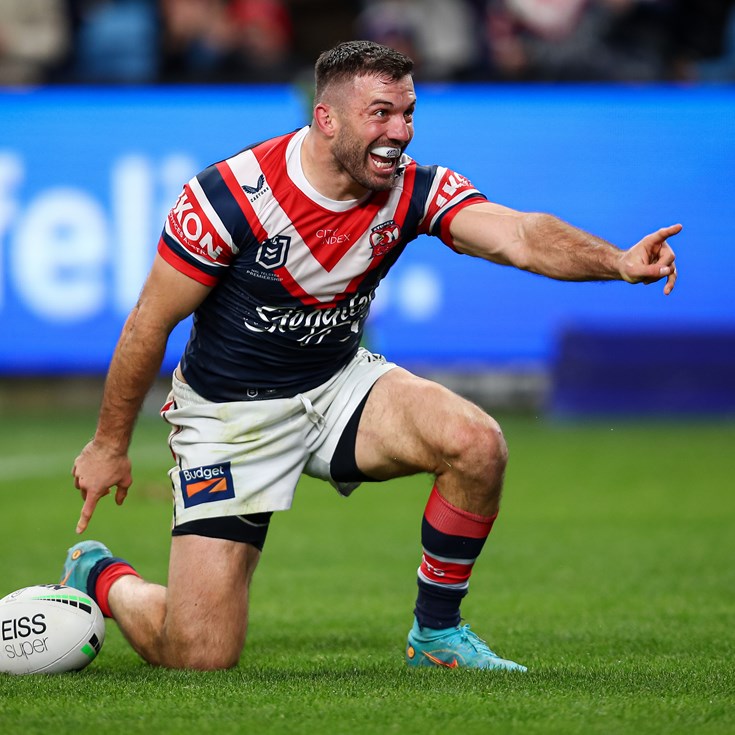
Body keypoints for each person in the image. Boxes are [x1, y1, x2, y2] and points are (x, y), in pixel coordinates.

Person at [61, 40, 679, 671]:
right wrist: (109, 445)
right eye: (380, 113)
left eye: (408, 114)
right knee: (199, 654)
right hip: (230, 419)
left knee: (476, 443)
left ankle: (436, 634)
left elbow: (519, 235)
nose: (400, 132)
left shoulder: (413, 189)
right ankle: (103, 577)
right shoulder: (229, 198)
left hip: (336, 386)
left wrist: (616, 261)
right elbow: (148, 324)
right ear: (326, 119)